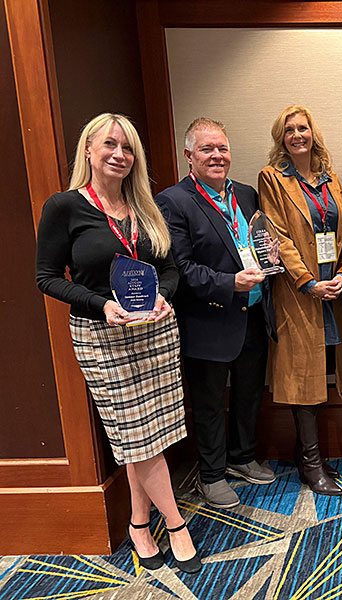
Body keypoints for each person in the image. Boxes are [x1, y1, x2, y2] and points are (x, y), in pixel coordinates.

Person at [35, 113, 200, 573]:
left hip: (155, 332)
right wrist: (101, 304)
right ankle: (176, 522)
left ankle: (138, 522)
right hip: (101, 334)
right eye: (109, 144)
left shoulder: (145, 206)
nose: (119, 155)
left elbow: (169, 269)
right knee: (138, 435)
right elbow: (45, 277)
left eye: (127, 148)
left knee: (144, 436)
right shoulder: (64, 207)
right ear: (88, 149)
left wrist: (164, 298)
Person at [156, 118, 277, 510]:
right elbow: (182, 268)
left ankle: (243, 457)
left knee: (248, 392)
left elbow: (257, 242)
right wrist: (231, 284)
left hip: (253, 313)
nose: (217, 156)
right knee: (209, 402)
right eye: (207, 149)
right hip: (207, 320)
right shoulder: (173, 201)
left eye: (222, 148)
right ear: (189, 156)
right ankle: (211, 475)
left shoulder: (245, 194)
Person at [258, 105, 342, 496]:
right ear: (281, 138)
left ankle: (306, 453)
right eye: (289, 130)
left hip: (334, 287)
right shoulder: (272, 179)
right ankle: (311, 463)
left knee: (325, 368)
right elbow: (276, 236)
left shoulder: (331, 179)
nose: (297, 135)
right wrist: (308, 282)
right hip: (299, 292)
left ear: (313, 133)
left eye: (303, 128)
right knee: (302, 376)